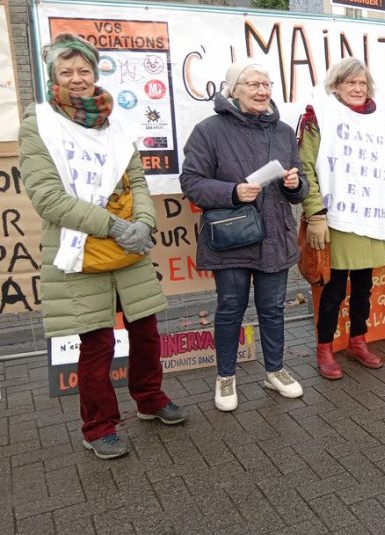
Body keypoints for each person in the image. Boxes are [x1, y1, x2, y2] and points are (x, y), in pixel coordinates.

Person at [18, 33, 185, 459]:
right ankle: (98, 426)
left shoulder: (116, 123)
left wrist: (143, 222)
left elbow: (139, 181)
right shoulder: (38, 125)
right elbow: (48, 199)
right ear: (53, 76)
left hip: (128, 247)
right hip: (80, 249)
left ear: (96, 72)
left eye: (84, 70)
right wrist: (113, 225)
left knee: (145, 331)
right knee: (97, 345)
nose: (77, 79)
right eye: (66, 71)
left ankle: (149, 399)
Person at [180, 61, 308, 411]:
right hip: (232, 238)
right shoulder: (208, 130)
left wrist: (297, 185)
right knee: (230, 308)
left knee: (272, 309)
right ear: (233, 90)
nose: (262, 90)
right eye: (253, 84)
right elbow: (191, 182)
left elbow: (300, 184)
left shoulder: (282, 132)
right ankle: (225, 377)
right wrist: (233, 192)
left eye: (266, 84)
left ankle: (275, 371)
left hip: (274, 237)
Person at [299, 58, 385, 379]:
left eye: (362, 83)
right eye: (351, 83)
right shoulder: (319, 118)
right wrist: (315, 213)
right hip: (338, 219)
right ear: (336, 86)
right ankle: (325, 348)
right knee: (333, 290)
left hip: (371, 218)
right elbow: (307, 168)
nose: (358, 89)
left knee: (363, 287)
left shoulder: (377, 122)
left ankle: (358, 340)